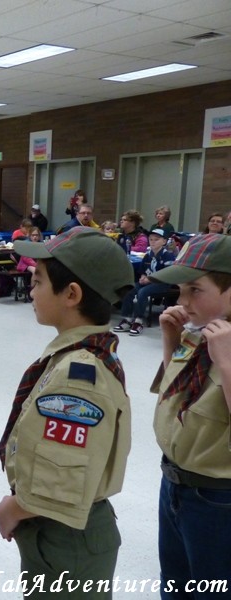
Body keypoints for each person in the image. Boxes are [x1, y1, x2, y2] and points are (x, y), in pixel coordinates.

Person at [0, 226, 134, 597]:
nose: (31, 286)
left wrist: (15, 508)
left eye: (38, 280)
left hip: (65, 537)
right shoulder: (82, 353)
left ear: (71, 294)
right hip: (62, 530)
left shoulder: (77, 376)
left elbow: (63, 480)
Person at [146, 233, 231, 598]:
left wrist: (226, 362)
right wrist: (171, 339)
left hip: (217, 499)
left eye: (195, 290)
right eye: (181, 290)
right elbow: (177, 398)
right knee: (175, 583)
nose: (183, 301)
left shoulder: (221, 343)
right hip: (175, 483)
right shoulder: (199, 333)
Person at [112, 228, 176, 336]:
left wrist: (150, 279)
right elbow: (142, 270)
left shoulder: (167, 255)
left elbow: (168, 273)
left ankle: (138, 320)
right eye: (151, 239)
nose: (153, 242)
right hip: (148, 281)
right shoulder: (148, 255)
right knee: (129, 289)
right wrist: (143, 277)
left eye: (156, 239)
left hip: (162, 283)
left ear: (164, 241)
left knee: (143, 293)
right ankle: (127, 318)